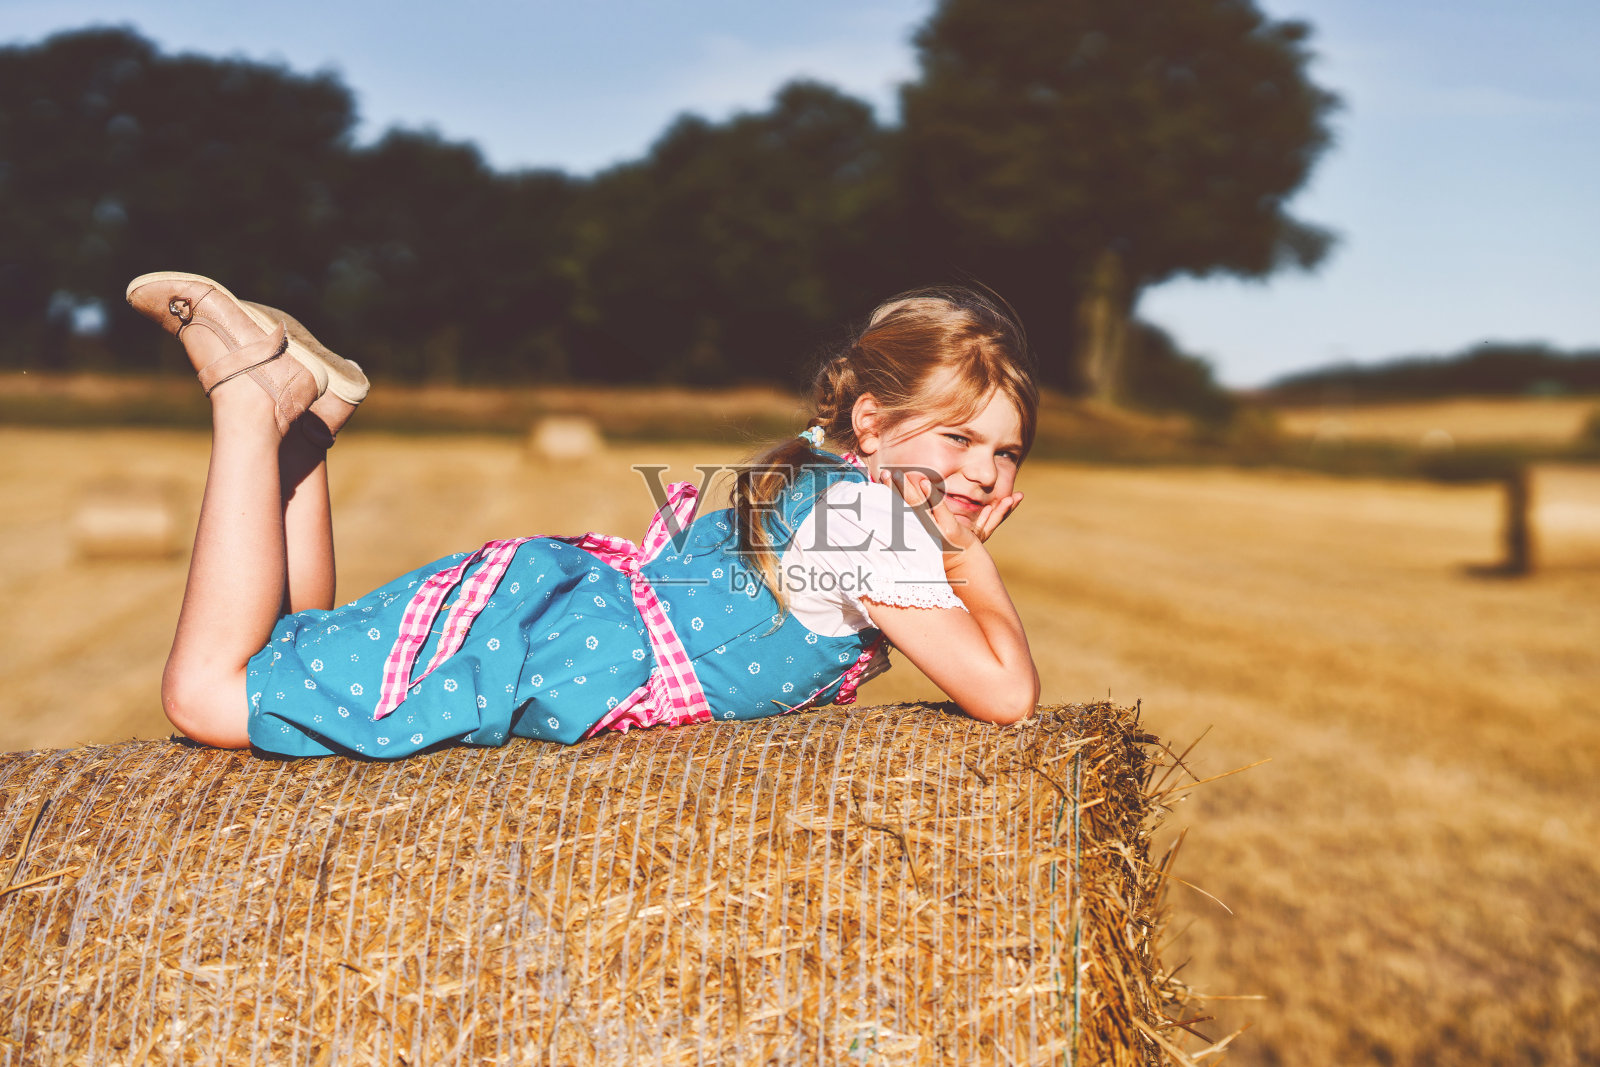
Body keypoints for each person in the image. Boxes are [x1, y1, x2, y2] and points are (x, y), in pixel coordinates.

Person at [127, 273, 1041, 758]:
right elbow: (1005, 695)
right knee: (206, 695)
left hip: (566, 620)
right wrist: (966, 554)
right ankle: (252, 400)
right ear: (873, 424)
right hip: (568, 648)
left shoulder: (831, 478)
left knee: (294, 655)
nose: (983, 471)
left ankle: (306, 430)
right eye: (959, 439)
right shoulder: (872, 533)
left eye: (1005, 452)